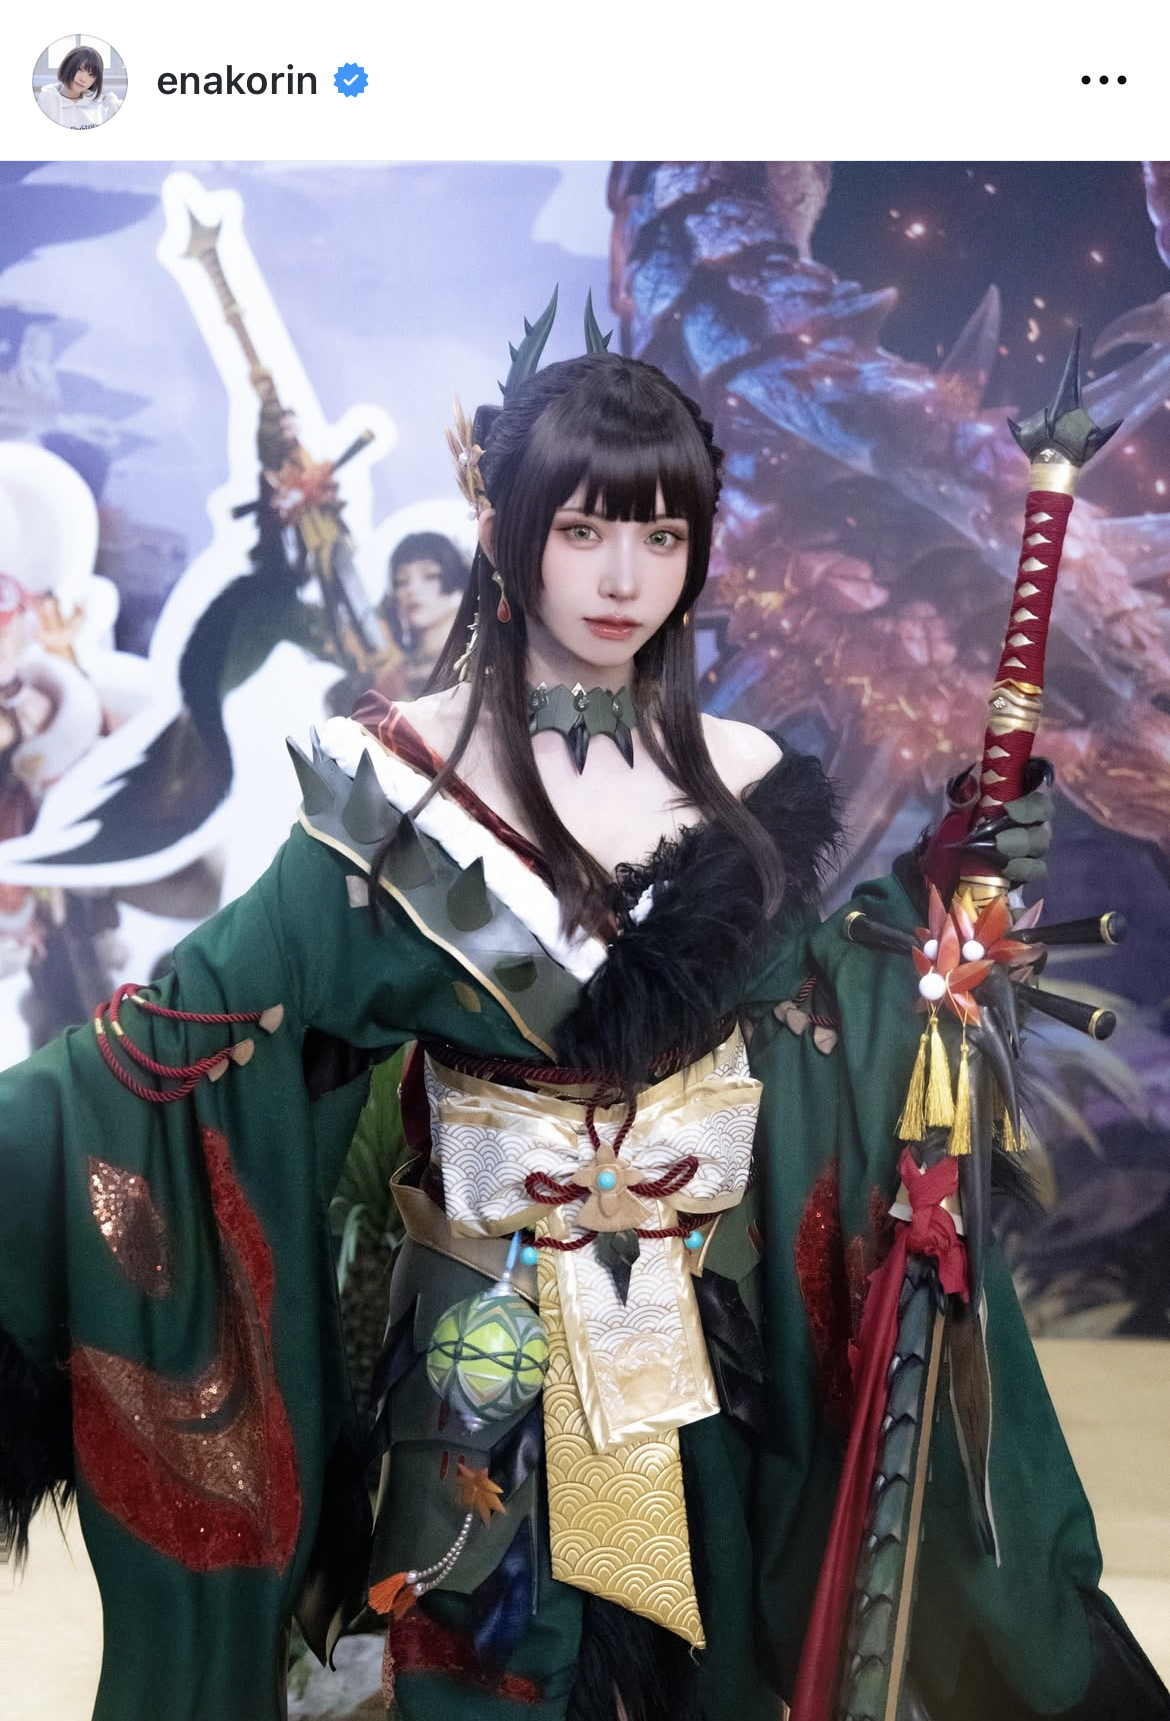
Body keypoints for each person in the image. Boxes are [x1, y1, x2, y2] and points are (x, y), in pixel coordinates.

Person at [0, 341, 1165, 1721]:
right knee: (485, 1659)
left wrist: (938, 921)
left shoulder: (740, 779)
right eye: (584, 529)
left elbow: (824, 1031)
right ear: (509, 533)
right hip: (480, 1360)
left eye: (662, 535)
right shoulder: (392, 790)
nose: (624, 577)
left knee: (700, 1662)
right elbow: (172, 1047)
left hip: (698, 1351)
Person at [381, 531, 471, 696]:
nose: (412, 589)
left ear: (459, 581)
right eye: (401, 581)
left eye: (430, 576)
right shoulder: (392, 678)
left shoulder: (485, 657)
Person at [35, 45, 122, 131]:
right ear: (67, 66)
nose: (83, 79)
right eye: (80, 69)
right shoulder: (48, 101)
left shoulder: (98, 104)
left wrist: (112, 104)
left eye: (91, 74)